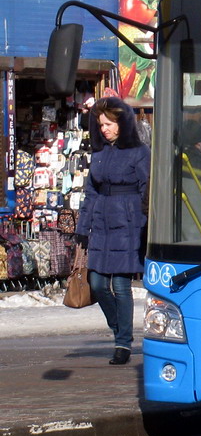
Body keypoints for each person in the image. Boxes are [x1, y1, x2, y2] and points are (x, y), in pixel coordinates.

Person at [76, 96, 150, 365]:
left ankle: (123, 343)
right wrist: (82, 228)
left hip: (128, 223)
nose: (104, 128)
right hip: (102, 222)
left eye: (108, 123)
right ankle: (119, 328)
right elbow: (90, 192)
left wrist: (143, 223)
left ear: (122, 124)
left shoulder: (140, 152)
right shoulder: (99, 154)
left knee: (120, 284)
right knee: (97, 283)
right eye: (101, 124)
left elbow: (147, 189)